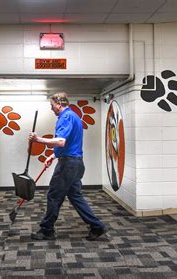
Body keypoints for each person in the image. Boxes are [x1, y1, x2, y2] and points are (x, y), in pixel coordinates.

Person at [28, 92, 107, 241]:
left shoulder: (65, 117)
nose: (52, 109)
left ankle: (47, 230)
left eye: (52, 106)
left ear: (59, 104)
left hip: (68, 165)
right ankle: (97, 226)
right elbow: (68, 143)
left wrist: (38, 139)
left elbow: (61, 141)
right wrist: (53, 156)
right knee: (75, 196)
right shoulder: (74, 116)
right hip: (75, 163)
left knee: (53, 195)